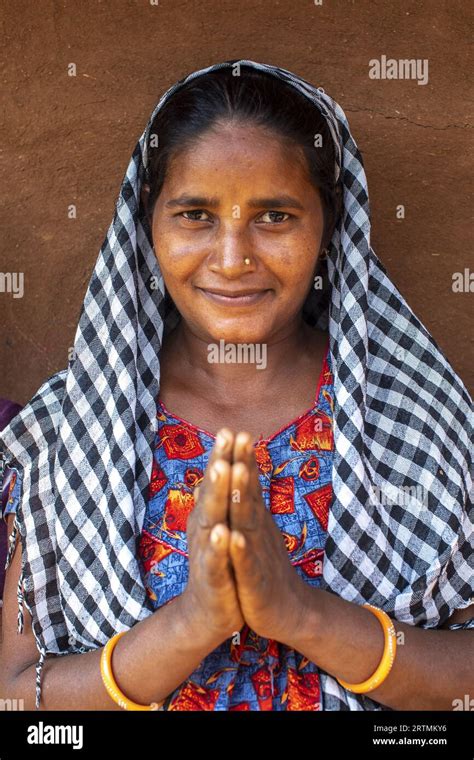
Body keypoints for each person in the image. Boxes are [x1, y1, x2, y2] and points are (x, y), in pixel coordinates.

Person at [0, 59, 472, 712]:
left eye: (274, 217)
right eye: (195, 215)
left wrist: (301, 612)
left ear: (329, 227)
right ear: (148, 226)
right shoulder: (74, 427)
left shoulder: (409, 419)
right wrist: (190, 624)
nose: (232, 258)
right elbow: (18, 697)